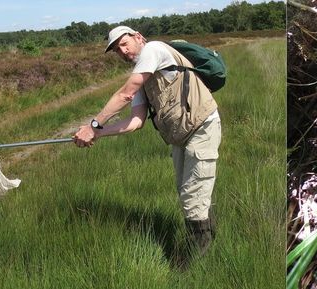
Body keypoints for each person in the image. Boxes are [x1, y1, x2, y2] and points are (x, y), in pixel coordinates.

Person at [72, 26, 221, 260]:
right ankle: (210, 240)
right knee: (188, 193)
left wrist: (93, 126)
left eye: (124, 43)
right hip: (181, 136)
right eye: (117, 50)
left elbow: (125, 94)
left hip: (202, 127)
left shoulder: (152, 49)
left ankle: (193, 263)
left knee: (193, 198)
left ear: (138, 37)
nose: (122, 51)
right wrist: (100, 134)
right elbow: (135, 121)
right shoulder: (144, 74)